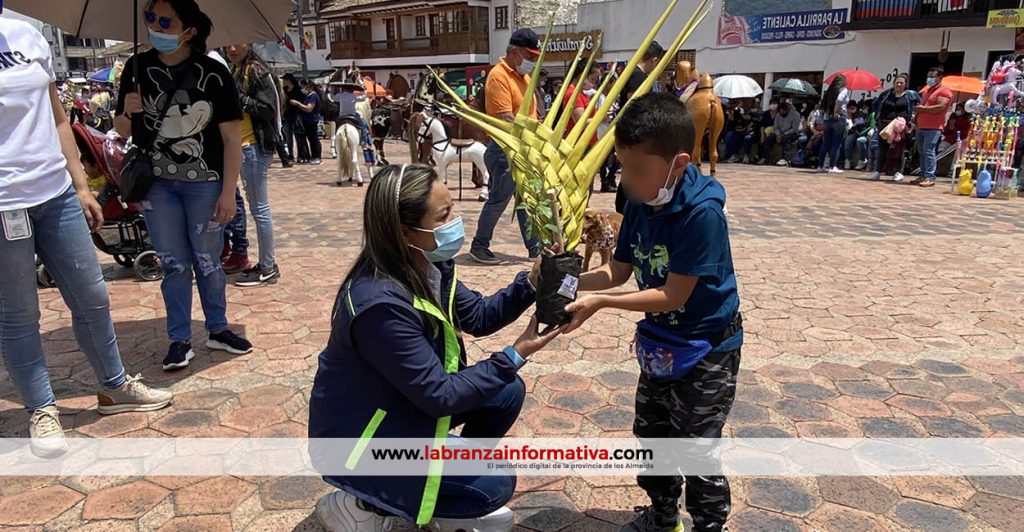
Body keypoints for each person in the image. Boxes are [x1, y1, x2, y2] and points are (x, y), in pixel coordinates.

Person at [309, 164, 563, 532]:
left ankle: (433, 491)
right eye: (444, 215)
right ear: (405, 231)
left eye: (453, 209)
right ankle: (362, 504)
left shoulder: (428, 265)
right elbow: (441, 396)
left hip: (400, 412)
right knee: (495, 483)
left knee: (506, 390)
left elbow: (478, 315)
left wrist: (530, 282)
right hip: (359, 444)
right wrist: (517, 352)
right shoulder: (379, 305)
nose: (455, 222)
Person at [563, 94, 741, 532]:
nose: (626, 180)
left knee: (696, 447)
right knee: (652, 435)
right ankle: (663, 515)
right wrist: (562, 280)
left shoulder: (701, 215)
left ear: (677, 164)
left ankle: (707, 524)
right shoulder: (640, 203)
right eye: (623, 167)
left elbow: (673, 295)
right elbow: (618, 272)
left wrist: (601, 303)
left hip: (707, 348)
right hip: (662, 346)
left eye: (637, 170)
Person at [1, 13, 173, 458]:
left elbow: (59, 119)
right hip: (4, 205)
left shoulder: (25, 35)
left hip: (55, 192)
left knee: (92, 296)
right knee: (19, 314)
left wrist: (80, 184)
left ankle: (114, 386)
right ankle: (42, 408)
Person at [114, 0, 253, 370]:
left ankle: (218, 328)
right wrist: (128, 111)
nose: (154, 27)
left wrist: (228, 192)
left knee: (208, 261)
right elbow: (121, 130)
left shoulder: (213, 74)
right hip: (156, 186)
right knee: (174, 264)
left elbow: (230, 139)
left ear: (189, 30)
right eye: (149, 19)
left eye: (164, 21)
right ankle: (179, 338)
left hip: (204, 184)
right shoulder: (136, 67)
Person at [469, 29, 543, 265]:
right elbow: (505, 118)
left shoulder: (524, 78)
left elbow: (530, 112)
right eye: (529, 55)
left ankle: (535, 247)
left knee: (526, 200)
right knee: (499, 199)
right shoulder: (498, 76)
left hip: (524, 148)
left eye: (534, 56)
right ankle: (479, 246)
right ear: (513, 51)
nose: (532, 61)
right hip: (503, 149)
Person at [226, 43, 282, 287]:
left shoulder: (257, 71)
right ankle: (266, 263)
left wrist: (242, 100)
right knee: (256, 208)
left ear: (249, 44)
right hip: (243, 147)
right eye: (228, 44)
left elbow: (270, 109)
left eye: (238, 43)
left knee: (260, 210)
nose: (232, 47)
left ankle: (268, 267)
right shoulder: (236, 70)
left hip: (254, 147)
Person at [612, 40, 665, 213]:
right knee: (633, 174)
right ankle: (626, 210)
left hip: (633, 135)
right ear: (654, 60)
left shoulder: (631, 73)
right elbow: (635, 105)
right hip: (635, 135)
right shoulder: (637, 77)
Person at [869, 74, 918, 181]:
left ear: (906, 84)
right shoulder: (886, 94)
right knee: (882, 148)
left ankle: (898, 172)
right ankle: (878, 171)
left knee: (899, 149)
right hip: (885, 124)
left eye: (901, 83)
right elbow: (875, 105)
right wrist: (878, 119)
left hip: (900, 126)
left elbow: (917, 106)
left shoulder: (910, 96)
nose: (899, 84)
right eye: (897, 82)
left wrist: (912, 121)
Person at [915, 67, 954, 187]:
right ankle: (922, 174)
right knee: (921, 151)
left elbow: (941, 107)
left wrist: (923, 109)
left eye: (932, 76)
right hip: (921, 126)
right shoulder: (928, 91)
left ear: (940, 78)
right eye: (929, 76)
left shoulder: (944, 91)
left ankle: (929, 176)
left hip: (934, 127)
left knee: (928, 151)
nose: (929, 78)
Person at [818, 75, 849, 174]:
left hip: (827, 119)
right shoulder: (844, 90)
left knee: (826, 144)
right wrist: (836, 111)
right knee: (836, 144)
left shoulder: (829, 91)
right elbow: (839, 100)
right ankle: (832, 166)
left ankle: (820, 166)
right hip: (839, 118)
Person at [290, 80, 323, 165]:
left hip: (312, 120)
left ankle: (317, 156)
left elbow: (309, 108)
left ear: (310, 87)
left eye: (305, 87)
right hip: (306, 121)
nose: (303, 89)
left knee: (314, 139)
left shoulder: (314, 96)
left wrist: (297, 103)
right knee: (310, 139)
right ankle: (312, 156)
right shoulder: (307, 96)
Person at [759, 102, 800, 166]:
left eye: (783, 112)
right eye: (780, 112)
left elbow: (794, 128)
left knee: (785, 138)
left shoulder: (796, 114)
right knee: (769, 138)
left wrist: (783, 134)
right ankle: (765, 157)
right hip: (779, 133)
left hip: (791, 133)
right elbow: (776, 127)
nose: (781, 114)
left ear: (787, 110)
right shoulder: (778, 115)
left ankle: (784, 159)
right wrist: (778, 134)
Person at [281, 73, 306, 165]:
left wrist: (297, 103)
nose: (284, 82)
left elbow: (303, 99)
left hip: (296, 114)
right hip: (286, 115)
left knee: (298, 135)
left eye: (285, 80)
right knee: (288, 136)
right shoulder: (284, 90)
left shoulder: (297, 89)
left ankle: (301, 155)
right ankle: (290, 155)